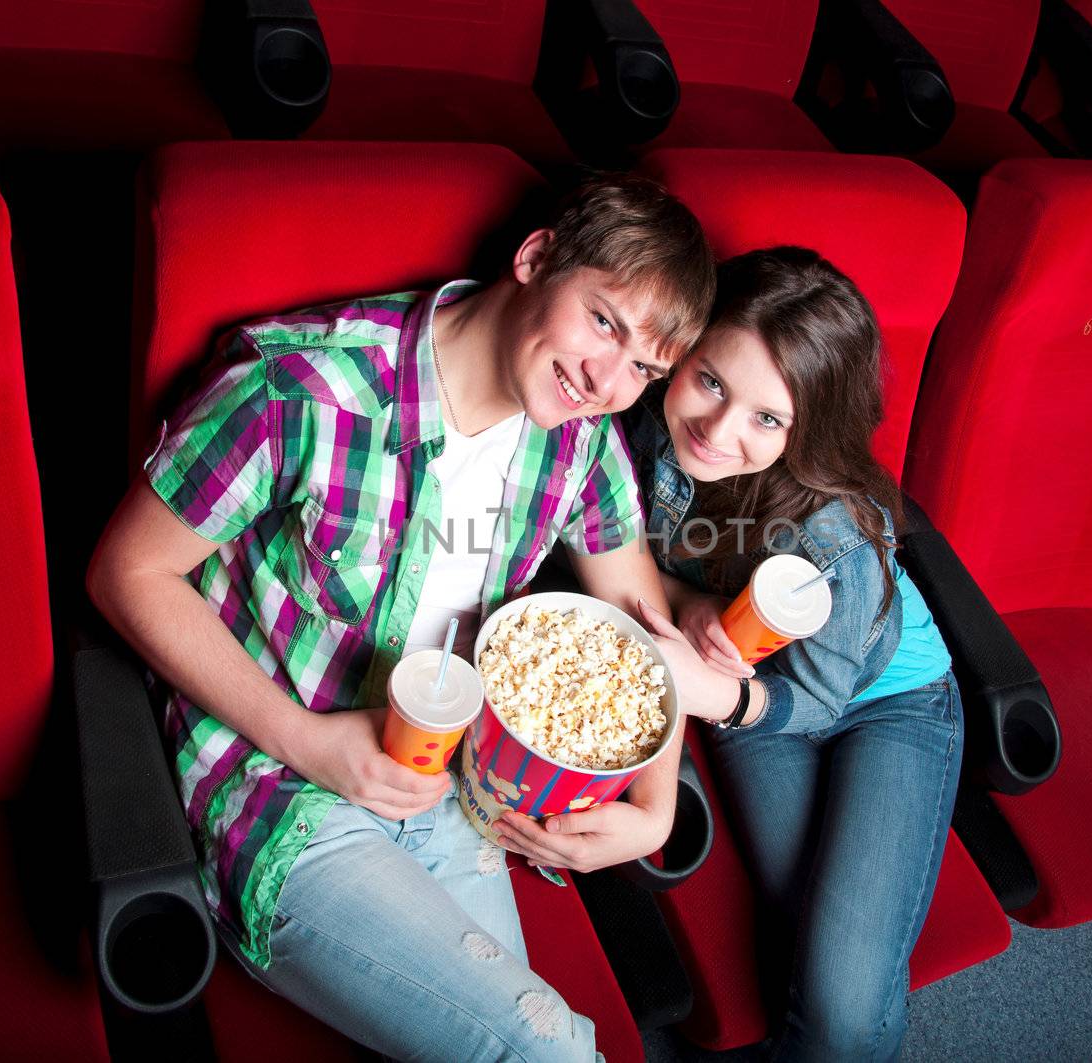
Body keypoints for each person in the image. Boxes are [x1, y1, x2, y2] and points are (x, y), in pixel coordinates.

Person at [86, 175, 731, 1061]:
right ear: (537, 257)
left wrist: (655, 810)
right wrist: (310, 740)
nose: (607, 380)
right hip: (280, 776)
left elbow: (641, 633)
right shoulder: (301, 387)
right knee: (549, 1050)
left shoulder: (582, 443)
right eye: (604, 322)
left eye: (646, 370)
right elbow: (125, 571)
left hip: (447, 783)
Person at [620, 246, 962, 1060]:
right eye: (710, 380)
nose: (717, 429)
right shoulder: (642, 416)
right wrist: (696, 603)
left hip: (888, 704)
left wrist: (706, 692)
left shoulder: (838, 536)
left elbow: (810, 701)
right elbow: (614, 548)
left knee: (841, 1004)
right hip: (746, 676)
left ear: (807, 427)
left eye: (767, 418)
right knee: (804, 945)